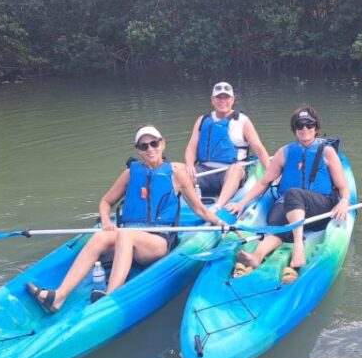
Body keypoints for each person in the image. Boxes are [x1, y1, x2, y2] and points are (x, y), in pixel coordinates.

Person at [27, 125, 224, 313]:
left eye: (154, 143)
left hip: (158, 242)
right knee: (100, 238)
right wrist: (105, 220)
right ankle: (59, 297)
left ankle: (111, 296)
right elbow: (105, 201)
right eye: (144, 146)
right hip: (128, 235)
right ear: (138, 150)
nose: (150, 149)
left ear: (162, 143)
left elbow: (200, 210)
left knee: (126, 235)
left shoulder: (177, 175)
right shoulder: (131, 174)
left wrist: (221, 224)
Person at [226, 106, 352, 284]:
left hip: (319, 208)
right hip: (290, 206)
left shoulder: (327, 152)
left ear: (316, 128)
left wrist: (345, 201)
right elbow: (264, 182)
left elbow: (342, 186)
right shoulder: (284, 152)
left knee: (294, 194)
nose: (305, 129)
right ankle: (257, 256)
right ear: (295, 129)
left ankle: (298, 246)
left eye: (309, 125)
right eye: (300, 126)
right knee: (276, 224)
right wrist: (242, 203)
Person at [184, 81, 270, 209]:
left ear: (232, 100)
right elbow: (191, 148)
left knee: (235, 169)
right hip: (203, 172)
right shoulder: (203, 120)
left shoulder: (242, 121)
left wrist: (270, 173)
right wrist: (189, 164)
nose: (222, 101)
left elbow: (259, 148)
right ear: (213, 100)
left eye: (226, 97)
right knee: (177, 169)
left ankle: (218, 206)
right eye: (219, 97)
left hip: (229, 172)